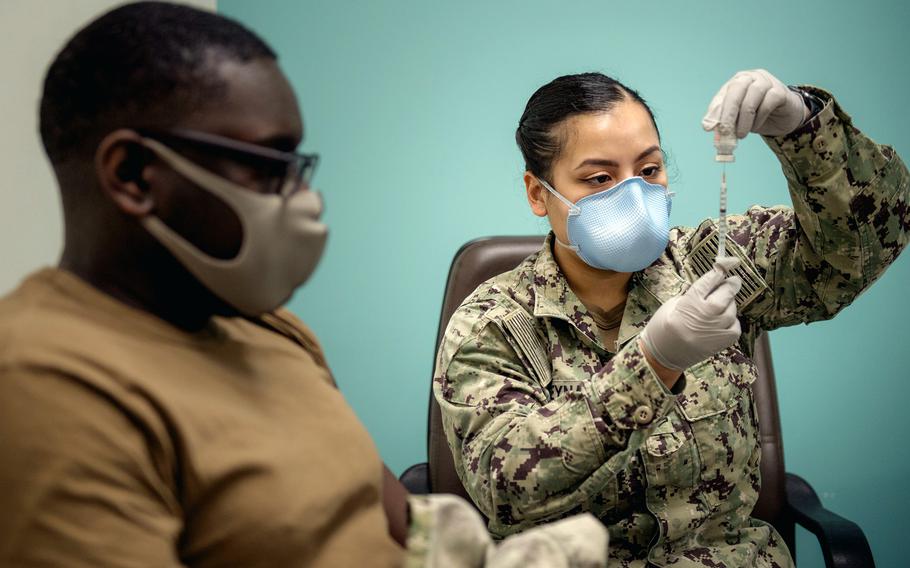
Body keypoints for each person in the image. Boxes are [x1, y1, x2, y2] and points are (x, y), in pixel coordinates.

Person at [0, 3, 608, 567]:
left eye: (298, 169)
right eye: (269, 166)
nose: (304, 200)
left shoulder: (265, 328)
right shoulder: (44, 386)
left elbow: (399, 531)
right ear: (133, 175)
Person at [434, 70, 909, 567]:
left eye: (649, 170)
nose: (632, 194)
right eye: (599, 178)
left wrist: (804, 128)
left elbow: (862, 249)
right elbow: (506, 487)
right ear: (538, 193)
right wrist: (651, 365)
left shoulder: (715, 261)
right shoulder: (494, 322)